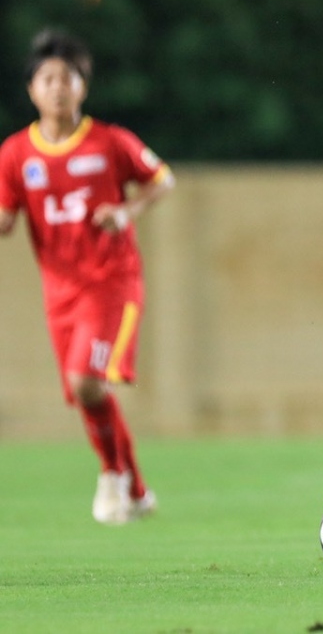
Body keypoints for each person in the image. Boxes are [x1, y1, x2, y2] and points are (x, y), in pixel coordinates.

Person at [0, 29, 174, 524]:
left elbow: (163, 180)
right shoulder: (15, 154)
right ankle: (138, 491)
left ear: (83, 87)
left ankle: (111, 477)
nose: (58, 87)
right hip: (59, 293)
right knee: (87, 392)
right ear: (32, 89)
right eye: (47, 78)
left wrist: (127, 210)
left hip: (111, 282)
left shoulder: (110, 141)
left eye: (67, 78)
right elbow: (6, 218)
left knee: (86, 383)